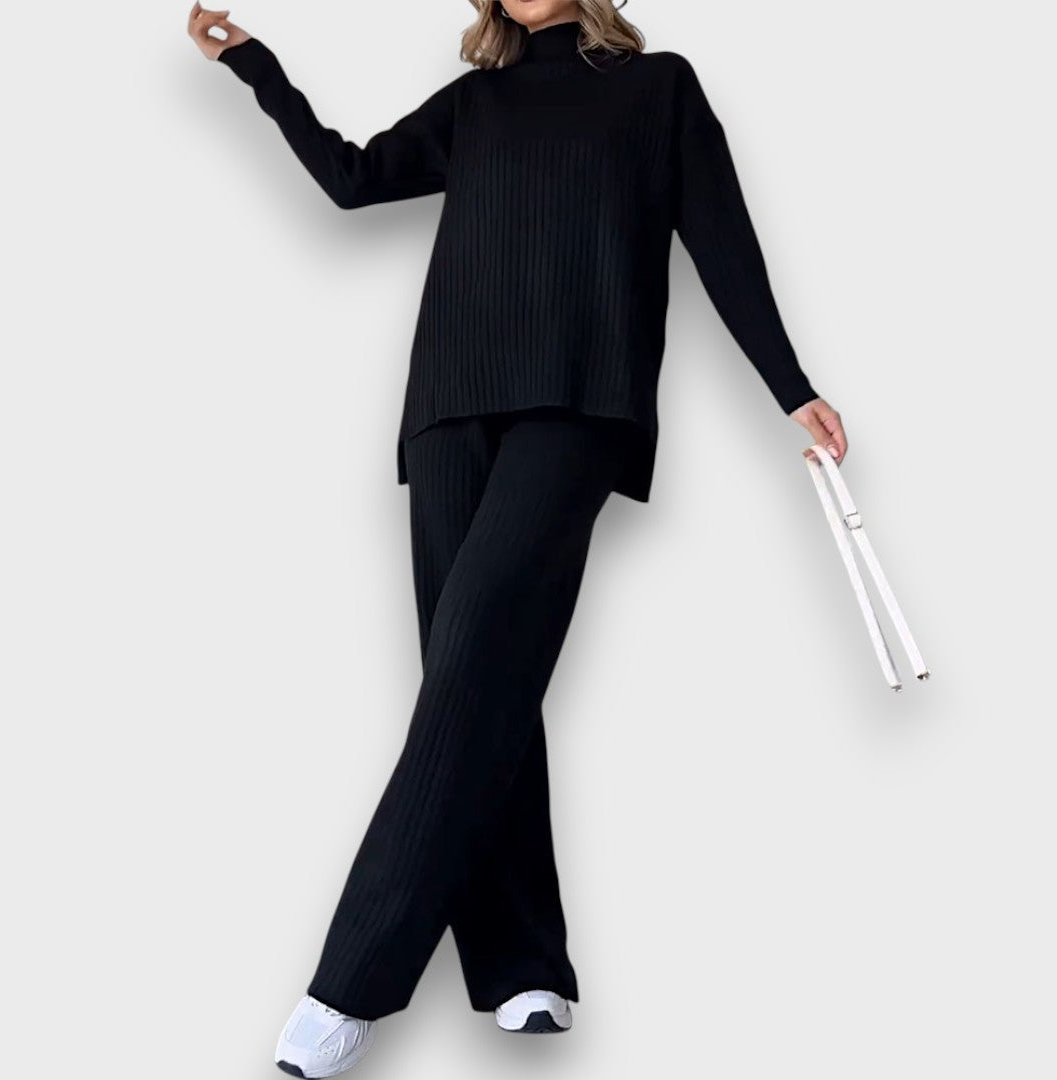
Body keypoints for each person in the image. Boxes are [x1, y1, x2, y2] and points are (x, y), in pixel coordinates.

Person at [189, 0, 848, 1074]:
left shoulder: (659, 88)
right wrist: (256, 66)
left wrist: (791, 387)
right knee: (482, 681)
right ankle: (523, 968)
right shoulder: (477, 102)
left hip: (581, 401)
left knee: (474, 666)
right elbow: (352, 179)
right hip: (448, 408)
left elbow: (722, 239)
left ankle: (349, 984)